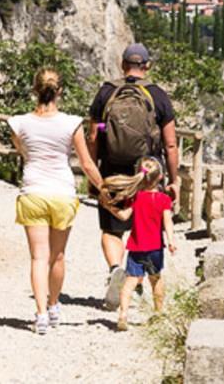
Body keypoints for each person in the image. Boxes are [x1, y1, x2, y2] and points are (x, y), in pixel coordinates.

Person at [9, 68, 106, 335]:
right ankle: (53, 305)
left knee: (38, 257)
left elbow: (23, 150)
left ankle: (40, 314)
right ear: (60, 91)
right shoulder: (71, 122)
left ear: (34, 90)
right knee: (58, 256)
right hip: (62, 193)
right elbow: (86, 163)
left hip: (33, 192)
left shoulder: (18, 123)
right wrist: (104, 189)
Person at [87, 43, 180, 310]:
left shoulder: (106, 93)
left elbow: (93, 137)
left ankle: (117, 268)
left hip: (112, 171)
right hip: (147, 172)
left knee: (111, 228)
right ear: (147, 66)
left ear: (122, 63)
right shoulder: (158, 96)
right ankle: (138, 281)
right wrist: (173, 180)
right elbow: (171, 144)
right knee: (145, 229)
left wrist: (94, 176)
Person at [100, 156, 177, 331]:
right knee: (155, 280)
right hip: (155, 248)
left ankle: (123, 315)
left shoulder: (136, 197)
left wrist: (109, 206)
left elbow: (124, 216)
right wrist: (171, 241)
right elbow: (167, 223)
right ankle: (158, 314)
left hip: (136, 247)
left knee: (130, 282)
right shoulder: (164, 199)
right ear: (160, 177)